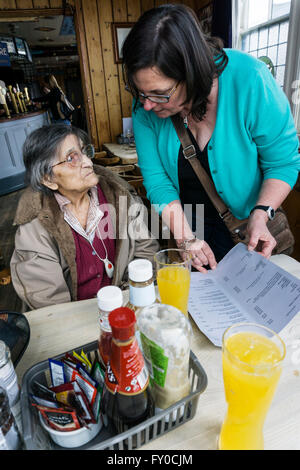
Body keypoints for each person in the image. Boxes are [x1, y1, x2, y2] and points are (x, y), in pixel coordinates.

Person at [122, 4, 300, 273]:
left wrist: (262, 214)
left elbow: (282, 164)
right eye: (139, 92)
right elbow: (157, 181)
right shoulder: (144, 107)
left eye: (159, 94)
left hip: (249, 229)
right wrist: (185, 237)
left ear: (191, 73)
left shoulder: (250, 80)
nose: (146, 105)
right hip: (192, 233)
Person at [10, 124, 159, 311]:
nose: (88, 162)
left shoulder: (120, 197)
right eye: (72, 158)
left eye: (85, 151)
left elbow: (146, 252)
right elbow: (51, 305)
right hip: (73, 325)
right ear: (48, 179)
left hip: (127, 308)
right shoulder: (35, 228)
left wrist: (129, 303)